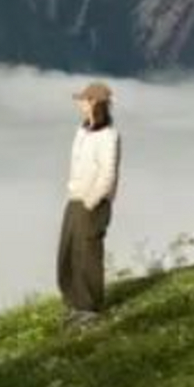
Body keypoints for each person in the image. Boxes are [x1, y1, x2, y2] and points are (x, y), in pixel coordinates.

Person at [59, 81, 122, 325]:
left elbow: (107, 173)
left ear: (95, 103)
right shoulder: (82, 131)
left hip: (92, 203)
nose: (80, 104)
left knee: (88, 255)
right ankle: (74, 303)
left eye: (84, 100)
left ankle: (90, 309)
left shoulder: (109, 137)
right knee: (68, 253)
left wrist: (92, 200)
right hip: (75, 199)